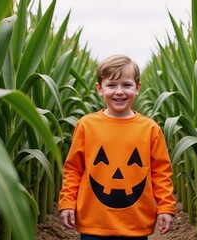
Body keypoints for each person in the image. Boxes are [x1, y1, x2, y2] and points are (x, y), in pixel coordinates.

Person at [58, 54, 176, 240]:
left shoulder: (150, 129)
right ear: (99, 89)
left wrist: (166, 207)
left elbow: (161, 172)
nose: (119, 91)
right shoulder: (86, 125)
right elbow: (73, 169)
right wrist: (67, 202)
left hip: (135, 224)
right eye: (111, 85)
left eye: (126, 85)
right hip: (94, 224)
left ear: (137, 88)